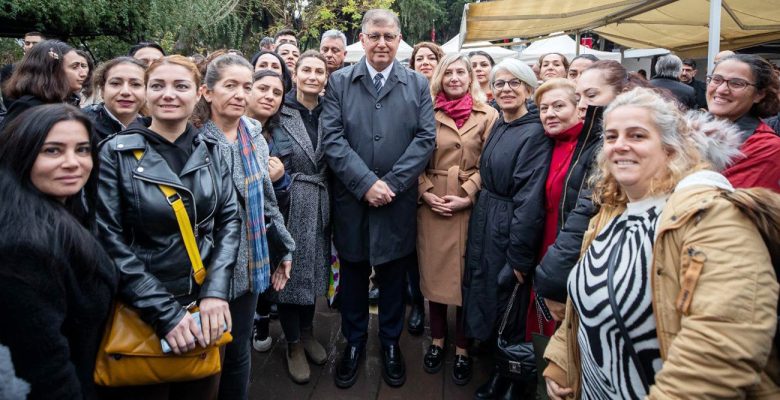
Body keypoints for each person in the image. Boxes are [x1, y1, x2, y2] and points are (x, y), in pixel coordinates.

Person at [543, 87, 779, 399]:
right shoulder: (610, 213)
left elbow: (722, 345)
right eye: (611, 137)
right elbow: (584, 299)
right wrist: (562, 359)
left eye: (637, 136)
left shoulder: (712, 216)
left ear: (670, 149)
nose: (620, 146)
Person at [94, 55, 241, 398]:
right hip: (141, 309)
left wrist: (216, 291)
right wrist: (166, 314)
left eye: (180, 86)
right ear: (146, 94)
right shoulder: (115, 153)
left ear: (198, 93)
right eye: (157, 86)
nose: (168, 94)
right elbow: (107, 239)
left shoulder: (210, 150)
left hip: (203, 305)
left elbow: (229, 220)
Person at [322, 8, 436, 389]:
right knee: (353, 277)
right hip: (352, 202)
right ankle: (353, 342)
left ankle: (390, 342)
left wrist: (391, 183)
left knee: (392, 277)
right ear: (362, 39)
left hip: (397, 201)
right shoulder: (339, 82)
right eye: (374, 36)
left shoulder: (418, 84)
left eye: (389, 36)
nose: (382, 43)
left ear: (400, 39)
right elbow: (333, 139)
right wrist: (366, 183)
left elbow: (425, 139)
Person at [0, 104, 117, 399]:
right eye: (52, 151)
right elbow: (45, 372)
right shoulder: (21, 248)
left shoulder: (65, 212)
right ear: (22, 154)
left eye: (82, 149)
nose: (72, 162)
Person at [196, 54, 295, 400]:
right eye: (230, 85)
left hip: (253, 256)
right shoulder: (194, 140)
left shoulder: (253, 132)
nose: (240, 94)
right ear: (207, 92)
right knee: (206, 356)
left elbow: (266, 198)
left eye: (246, 86)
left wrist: (282, 246)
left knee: (239, 352)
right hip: (209, 268)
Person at [534, 61, 650, 325]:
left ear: (623, 95)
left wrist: (552, 277)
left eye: (592, 95)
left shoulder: (609, 147)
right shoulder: (594, 140)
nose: (583, 104)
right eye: (579, 96)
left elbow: (586, 208)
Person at [463, 58, 551, 400]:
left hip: (509, 221)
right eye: (499, 84)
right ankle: (494, 360)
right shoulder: (500, 122)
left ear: (529, 88)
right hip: (488, 215)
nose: (506, 89)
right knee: (485, 287)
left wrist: (519, 254)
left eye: (514, 83)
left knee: (507, 299)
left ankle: (510, 376)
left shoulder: (535, 132)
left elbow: (529, 200)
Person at [418, 54, 498, 386]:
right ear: (439, 77)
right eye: (447, 72)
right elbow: (411, 157)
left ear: (470, 78)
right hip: (433, 202)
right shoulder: (425, 111)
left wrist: (468, 192)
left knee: (467, 278)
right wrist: (424, 191)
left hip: (469, 205)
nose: (454, 78)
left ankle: (463, 347)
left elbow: (491, 162)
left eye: (460, 72)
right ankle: (437, 341)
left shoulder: (488, 115)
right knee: (436, 277)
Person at [267, 50, 332, 384]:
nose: (312, 76)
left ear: (325, 77)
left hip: (322, 199)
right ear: (296, 72)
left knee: (314, 272)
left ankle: (307, 332)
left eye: (319, 71)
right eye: (306, 69)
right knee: (290, 274)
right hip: (291, 200)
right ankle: (292, 343)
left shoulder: (330, 111)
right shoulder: (282, 109)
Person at [244, 69, 295, 354]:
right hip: (237, 222)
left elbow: (282, 191)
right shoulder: (230, 128)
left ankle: (261, 318)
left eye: (277, 93)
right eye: (262, 89)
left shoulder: (280, 134)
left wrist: (280, 180)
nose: (269, 97)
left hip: (269, 219)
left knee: (267, 276)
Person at [708, 54, 780, 193]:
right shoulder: (688, 132)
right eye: (716, 80)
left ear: (759, 94)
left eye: (737, 83)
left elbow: (725, 206)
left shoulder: (768, 148)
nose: (721, 90)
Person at [1, 40, 80, 129]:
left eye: (82, 66)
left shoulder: (70, 101)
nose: (83, 73)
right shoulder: (28, 107)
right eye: (74, 67)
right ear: (53, 70)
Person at [82, 57, 147, 139]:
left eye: (136, 84)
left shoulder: (155, 128)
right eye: (115, 83)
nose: (125, 92)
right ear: (102, 90)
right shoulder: (80, 125)